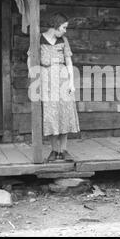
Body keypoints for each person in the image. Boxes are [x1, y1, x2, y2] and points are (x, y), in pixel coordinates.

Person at [27, 13, 80, 162]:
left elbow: (69, 62)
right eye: (63, 27)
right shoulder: (38, 39)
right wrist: (34, 79)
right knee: (51, 116)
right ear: (55, 25)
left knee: (65, 113)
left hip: (63, 78)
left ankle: (63, 150)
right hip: (46, 79)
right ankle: (54, 150)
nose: (65, 30)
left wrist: (71, 83)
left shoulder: (63, 40)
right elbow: (30, 58)